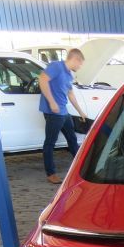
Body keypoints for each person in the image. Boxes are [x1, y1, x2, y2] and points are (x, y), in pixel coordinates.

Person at [38, 48, 88, 184]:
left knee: (72, 139)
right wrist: (52, 102)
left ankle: (83, 167)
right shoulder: (56, 66)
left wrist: (80, 111)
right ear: (75, 59)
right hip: (53, 112)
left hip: (64, 112)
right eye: (80, 63)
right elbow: (42, 80)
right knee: (50, 142)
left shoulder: (69, 74)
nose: (80, 66)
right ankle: (51, 173)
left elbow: (70, 94)